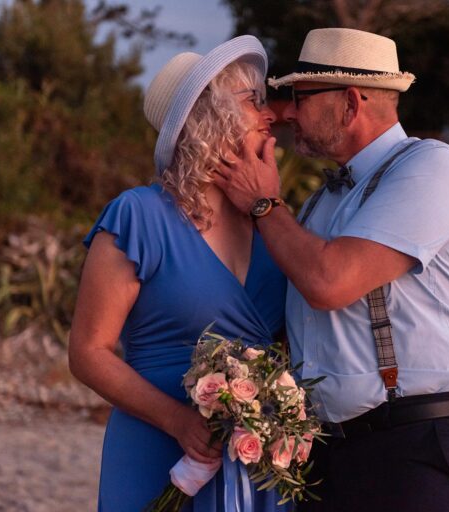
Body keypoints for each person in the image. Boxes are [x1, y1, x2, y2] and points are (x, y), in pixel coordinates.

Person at [214, 28, 449, 512]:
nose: (288, 112)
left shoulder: (432, 167)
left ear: (351, 103)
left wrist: (263, 203)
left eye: (301, 96)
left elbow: (328, 282)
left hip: (412, 446)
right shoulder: (321, 203)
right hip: (327, 458)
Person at [68, 36, 289, 512]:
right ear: (211, 116)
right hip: (156, 448)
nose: (270, 116)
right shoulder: (139, 215)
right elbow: (88, 352)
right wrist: (179, 422)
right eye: (255, 101)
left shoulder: (274, 226)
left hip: (253, 464)